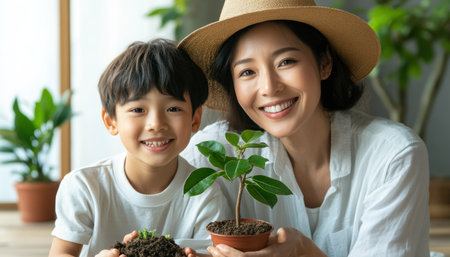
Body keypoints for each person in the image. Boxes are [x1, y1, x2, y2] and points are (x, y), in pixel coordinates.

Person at [178, 0, 430, 256]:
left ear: (324, 63)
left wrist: (302, 251)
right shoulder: (214, 155)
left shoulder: (392, 156)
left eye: (286, 62)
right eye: (247, 72)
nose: (269, 87)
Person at [48, 38, 229, 257]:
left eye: (173, 108)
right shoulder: (84, 187)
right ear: (111, 121)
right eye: (138, 110)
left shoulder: (205, 193)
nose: (156, 124)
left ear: (195, 119)